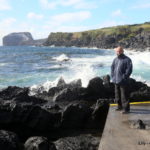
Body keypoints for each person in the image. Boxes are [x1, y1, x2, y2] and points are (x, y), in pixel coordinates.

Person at [111, 46, 133, 114]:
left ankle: (126, 109)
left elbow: (129, 70)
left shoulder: (127, 59)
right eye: (117, 51)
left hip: (123, 81)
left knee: (124, 95)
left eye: (119, 51)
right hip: (116, 80)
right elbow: (112, 68)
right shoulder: (115, 59)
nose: (118, 52)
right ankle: (119, 106)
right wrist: (113, 76)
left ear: (122, 51)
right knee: (117, 95)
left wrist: (124, 77)